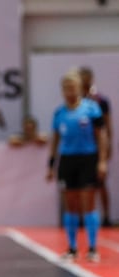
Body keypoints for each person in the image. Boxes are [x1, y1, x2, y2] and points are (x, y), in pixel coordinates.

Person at [46, 69, 109, 262]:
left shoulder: (91, 109)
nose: (69, 91)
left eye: (72, 87)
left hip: (88, 158)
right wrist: (51, 165)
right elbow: (55, 140)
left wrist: (102, 161)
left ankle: (92, 247)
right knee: (70, 204)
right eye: (66, 87)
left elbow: (101, 135)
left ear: (80, 88)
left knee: (88, 201)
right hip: (68, 160)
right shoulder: (59, 113)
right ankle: (72, 247)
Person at [79, 66, 113, 226]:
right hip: (81, 148)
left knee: (100, 183)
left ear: (91, 79)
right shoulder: (75, 100)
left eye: (86, 78)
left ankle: (106, 217)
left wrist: (107, 146)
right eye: (81, 78)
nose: (84, 81)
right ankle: (80, 218)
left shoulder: (100, 100)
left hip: (97, 146)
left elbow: (107, 124)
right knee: (79, 185)